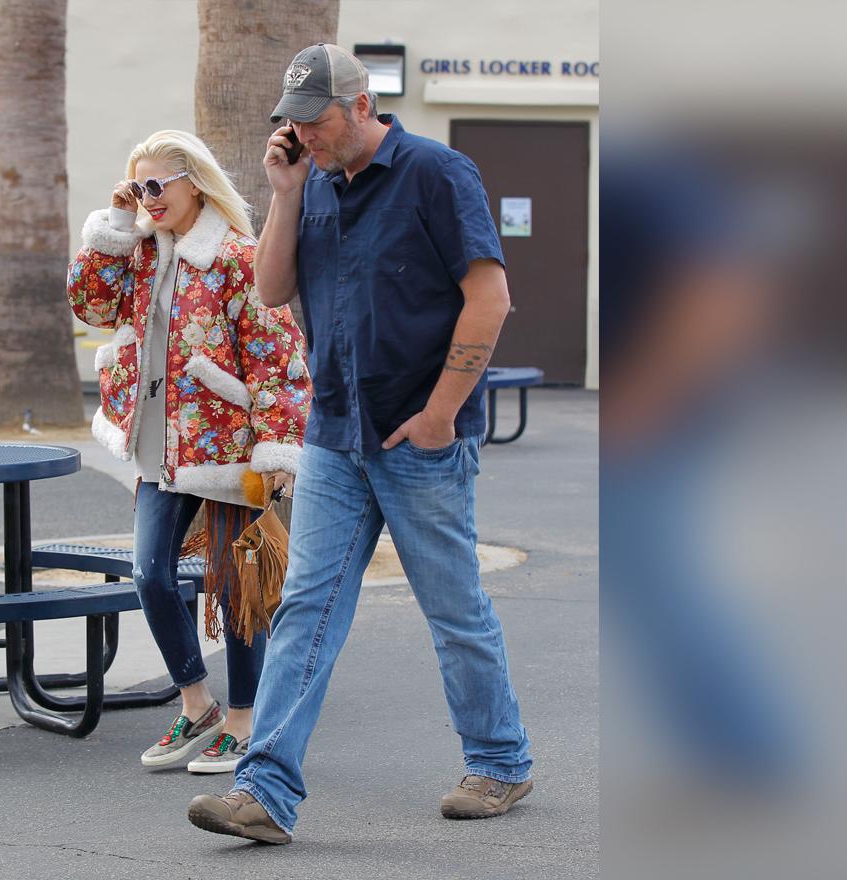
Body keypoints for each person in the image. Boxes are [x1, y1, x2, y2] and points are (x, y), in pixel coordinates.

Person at [186, 45, 532, 844]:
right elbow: (273, 290)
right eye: (293, 123)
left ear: (362, 104)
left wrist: (445, 410)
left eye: (316, 119)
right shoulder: (309, 185)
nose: (303, 133)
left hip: (419, 437)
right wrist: (282, 194)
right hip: (336, 435)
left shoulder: (439, 174)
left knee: (453, 610)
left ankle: (500, 760)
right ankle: (264, 790)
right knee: (306, 606)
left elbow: (491, 296)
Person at [66, 130, 310, 774]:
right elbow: (89, 304)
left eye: (155, 187)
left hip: (227, 444)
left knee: (240, 589)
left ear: (192, 183)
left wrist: (277, 451)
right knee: (150, 574)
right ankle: (196, 702)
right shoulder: (141, 252)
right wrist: (115, 225)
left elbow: (279, 357)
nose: (147, 199)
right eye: (136, 187)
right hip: (159, 446)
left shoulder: (235, 255)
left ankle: (243, 720)